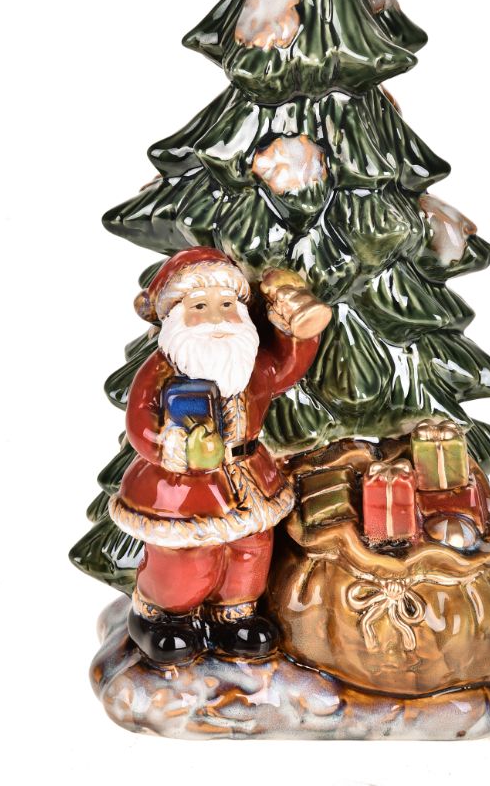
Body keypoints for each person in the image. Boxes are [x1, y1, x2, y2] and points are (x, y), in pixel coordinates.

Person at [109, 246, 331, 665]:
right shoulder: (161, 372)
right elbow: (140, 421)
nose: (216, 317)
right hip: (182, 486)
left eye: (227, 305)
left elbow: (285, 368)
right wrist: (169, 446)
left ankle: (234, 616)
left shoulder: (248, 367)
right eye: (199, 306)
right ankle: (163, 617)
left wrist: (297, 332)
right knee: (188, 556)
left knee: (250, 548)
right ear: (175, 317)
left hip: (248, 475)